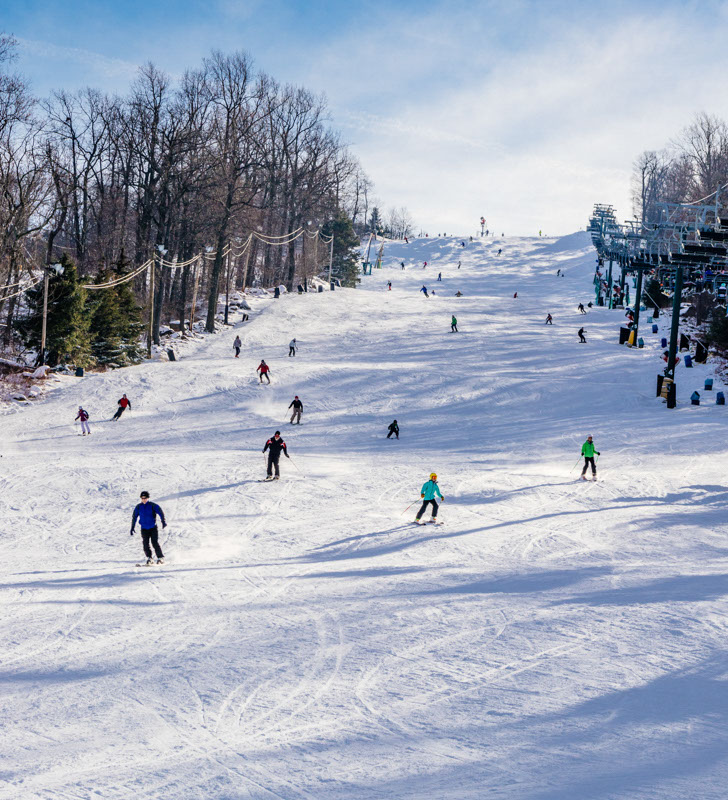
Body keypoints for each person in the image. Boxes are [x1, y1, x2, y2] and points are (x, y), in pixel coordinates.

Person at [130, 490, 166, 565]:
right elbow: (134, 517)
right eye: (142, 498)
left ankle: (160, 558)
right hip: (144, 528)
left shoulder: (152, 505)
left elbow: (160, 512)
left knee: (154, 542)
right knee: (145, 544)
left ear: (148, 498)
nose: (144, 499)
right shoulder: (138, 507)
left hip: (153, 527)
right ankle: (150, 558)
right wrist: (132, 527)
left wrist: (163, 521)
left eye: (145, 498)